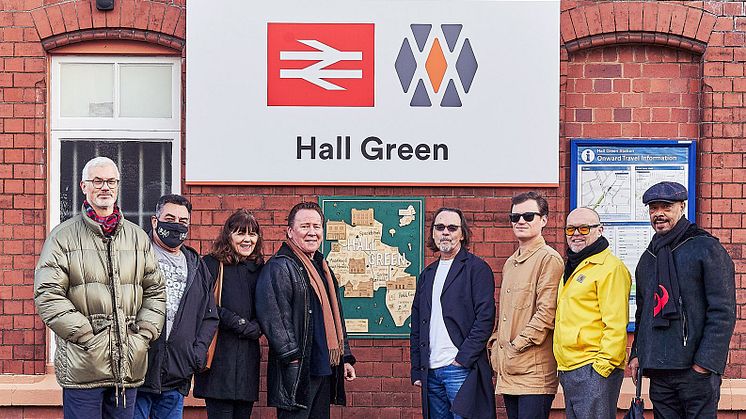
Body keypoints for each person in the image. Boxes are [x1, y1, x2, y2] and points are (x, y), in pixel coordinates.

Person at [34, 156, 165, 419]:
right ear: (84, 186)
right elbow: (47, 294)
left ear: (118, 186)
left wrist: (145, 334)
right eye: (97, 181)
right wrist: (85, 335)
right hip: (83, 365)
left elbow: (155, 291)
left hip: (127, 366)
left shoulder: (138, 237)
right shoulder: (63, 237)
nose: (104, 187)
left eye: (111, 181)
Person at [629, 181, 735, 419]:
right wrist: (637, 353)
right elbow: (643, 312)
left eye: (666, 206)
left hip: (695, 371)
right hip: (659, 370)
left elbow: (723, 311)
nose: (659, 214)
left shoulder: (706, 248)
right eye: (653, 208)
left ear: (682, 206)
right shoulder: (648, 257)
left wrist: (705, 364)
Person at [256, 202, 356, 419]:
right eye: (305, 226)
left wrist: (345, 357)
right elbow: (274, 318)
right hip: (300, 372)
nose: (312, 232)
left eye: (317, 226)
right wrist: (294, 359)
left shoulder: (322, 267)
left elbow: (336, 314)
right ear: (290, 231)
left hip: (323, 367)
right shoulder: (280, 266)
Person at [135, 194, 219, 419]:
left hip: (176, 376)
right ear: (155, 221)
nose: (176, 225)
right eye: (169, 218)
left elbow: (210, 317)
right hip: (138, 374)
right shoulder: (136, 256)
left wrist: (196, 355)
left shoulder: (197, 266)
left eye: (183, 221)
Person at [410, 207, 496, 419]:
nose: (445, 232)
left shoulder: (477, 269)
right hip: (430, 371)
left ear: (462, 234)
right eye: (440, 227)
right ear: (433, 233)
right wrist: (417, 368)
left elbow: (485, 319)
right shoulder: (427, 274)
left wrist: (462, 359)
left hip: (460, 370)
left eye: (452, 227)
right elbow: (417, 324)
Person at [489, 193, 563, 419]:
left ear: (544, 220)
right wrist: (495, 347)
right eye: (515, 216)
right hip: (509, 371)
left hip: (534, 373)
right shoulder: (511, 262)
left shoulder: (548, 259)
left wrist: (515, 346)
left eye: (529, 216)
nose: (521, 221)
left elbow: (546, 314)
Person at [553, 207, 630, 419]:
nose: (576, 234)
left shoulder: (610, 268)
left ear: (600, 230)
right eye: (570, 229)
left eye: (584, 228)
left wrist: (601, 369)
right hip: (570, 367)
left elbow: (615, 323)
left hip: (593, 368)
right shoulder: (573, 266)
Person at [193, 209, 266, 418]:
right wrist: (238, 322)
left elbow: (269, 307)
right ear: (228, 235)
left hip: (247, 362)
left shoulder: (260, 268)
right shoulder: (211, 264)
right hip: (218, 360)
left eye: (252, 234)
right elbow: (201, 304)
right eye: (240, 233)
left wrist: (259, 325)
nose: (247, 239)